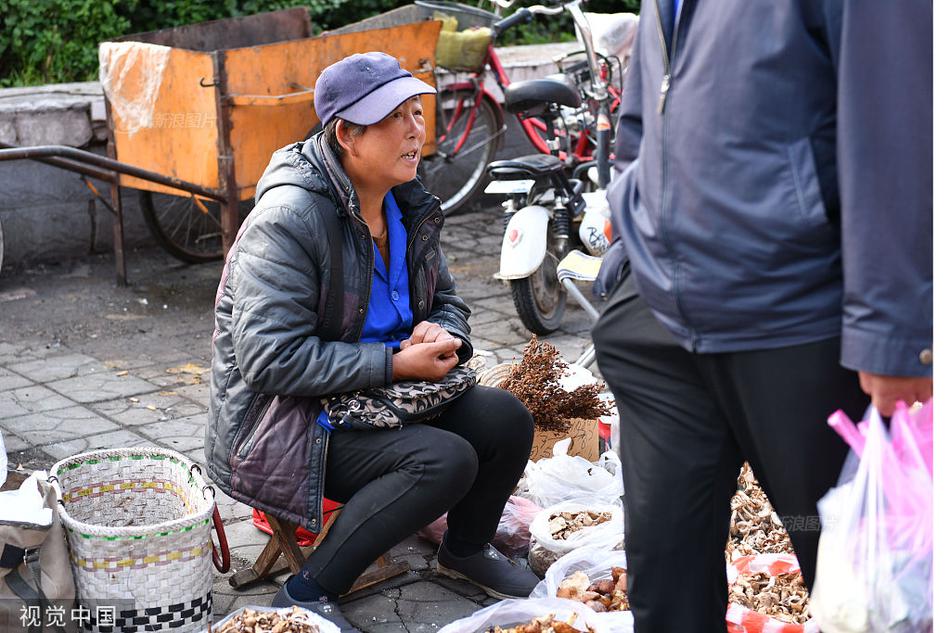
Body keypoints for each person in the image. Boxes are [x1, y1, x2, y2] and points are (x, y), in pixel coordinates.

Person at [593, 1, 933, 631]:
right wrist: (629, 240)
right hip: (658, 323)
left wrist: (897, 330)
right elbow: (644, 106)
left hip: (797, 318)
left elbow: (901, 120)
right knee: (663, 575)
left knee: (862, 584)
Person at [204, 52, 539, 630]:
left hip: (382, 398)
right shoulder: (289, 220)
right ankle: (307, 589)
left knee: (506, 418)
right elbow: (268, 359)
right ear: (347, 136)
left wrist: (445, 332)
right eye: (395, 118)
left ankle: (466, 549)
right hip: (289, 422)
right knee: (443, 460)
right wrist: (394, 364)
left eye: (417, 112)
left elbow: (450, 301)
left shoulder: (406, 203)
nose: (416, 129)